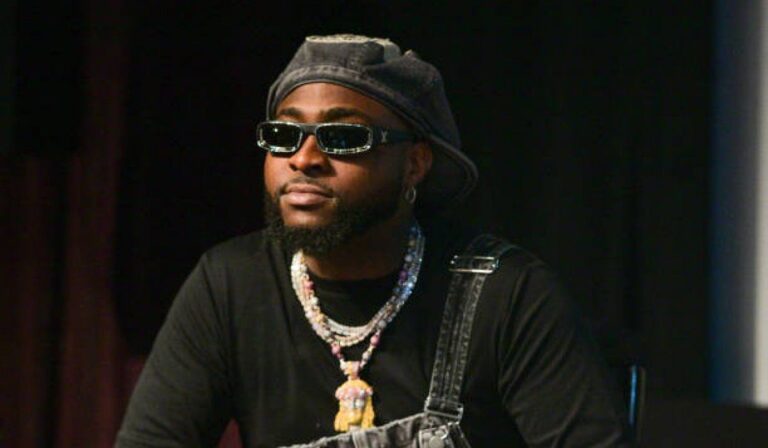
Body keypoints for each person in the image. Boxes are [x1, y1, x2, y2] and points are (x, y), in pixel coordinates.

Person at [116, 34, 629, 447]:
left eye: (344, 138)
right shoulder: (230, 283)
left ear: (414, 163)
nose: (304, 159)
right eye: (283, 136)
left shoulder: (507, 294)